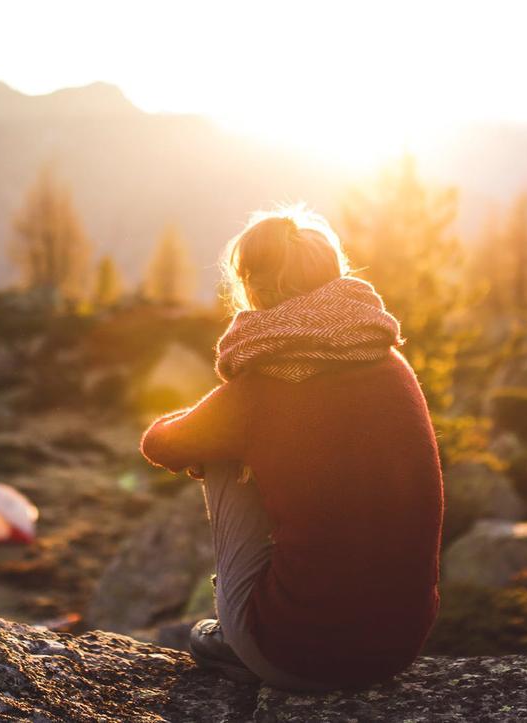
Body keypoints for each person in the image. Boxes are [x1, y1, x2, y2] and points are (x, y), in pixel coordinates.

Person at [139, 204, 443, 691]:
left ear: (254, 289)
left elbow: (162, 444)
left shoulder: (261, 386)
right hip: (397, 648)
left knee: (218, 451)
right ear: (334, 275)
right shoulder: (391, 364)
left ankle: (239, 631)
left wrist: (223, 425)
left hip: (294, 657)